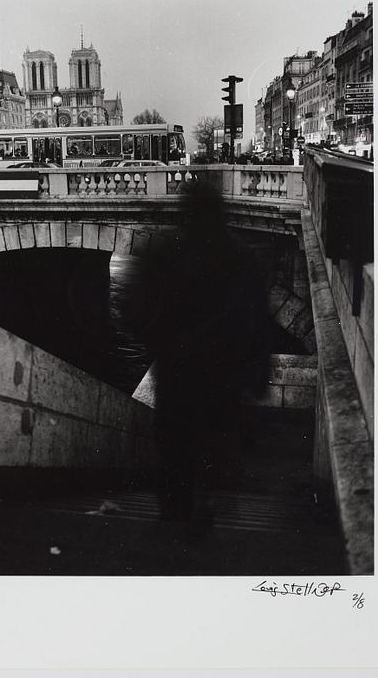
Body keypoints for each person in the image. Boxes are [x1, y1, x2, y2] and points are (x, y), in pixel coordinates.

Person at [125, 182, 270, 529]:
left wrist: (156, 342)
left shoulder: (163, 250)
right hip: (224, 376)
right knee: (214, 443)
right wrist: (258, 374)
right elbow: (259, 322)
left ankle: (174, 515)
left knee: (175, 448)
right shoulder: (243, 256)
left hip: (176, 374)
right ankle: (202, 508)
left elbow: (134, 306)